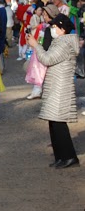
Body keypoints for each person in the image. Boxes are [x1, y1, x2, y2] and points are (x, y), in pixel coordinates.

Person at [26, 15, 80, 168]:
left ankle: (69, 156)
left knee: (58, 123)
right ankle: (61, 156)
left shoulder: (64, 43)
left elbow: (48, 59)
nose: (52, 29)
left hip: (60, 86)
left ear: (63, 29)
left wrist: (36, 45)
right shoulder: (62, 41)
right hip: (56, 85)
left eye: (55, 27)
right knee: (54, 121)